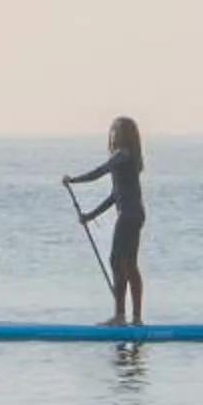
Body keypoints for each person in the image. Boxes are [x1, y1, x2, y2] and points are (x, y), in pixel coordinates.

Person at [65, 116, 146, 326]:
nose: (112, 133)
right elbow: (115, 196)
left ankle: (129, 317)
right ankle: (126, 316)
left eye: (116, 130)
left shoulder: (123, 155)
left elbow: (99, 172)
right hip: (132, 214)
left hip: (130, 215)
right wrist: (90, 216)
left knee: (123, 263)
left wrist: (74, 180)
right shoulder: (126, 158)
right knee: (122, 263)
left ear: (124, 135)